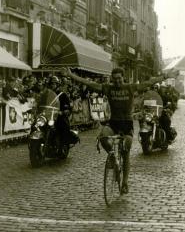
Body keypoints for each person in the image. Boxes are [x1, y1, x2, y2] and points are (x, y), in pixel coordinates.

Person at [62, 66, 178, 194]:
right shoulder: (108, 88)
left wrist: (166, 76)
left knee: (126, 150)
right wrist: (71, 75)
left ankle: (125, 183)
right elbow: (90, 83)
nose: (117, 81)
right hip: (113, 123)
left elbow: (149, 82)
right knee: (103, 137)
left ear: (123, 78)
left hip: (126, 124)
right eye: (115, 79)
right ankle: (112, 157)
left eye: (119, 78)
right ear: (112, 79)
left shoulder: (130, 87)